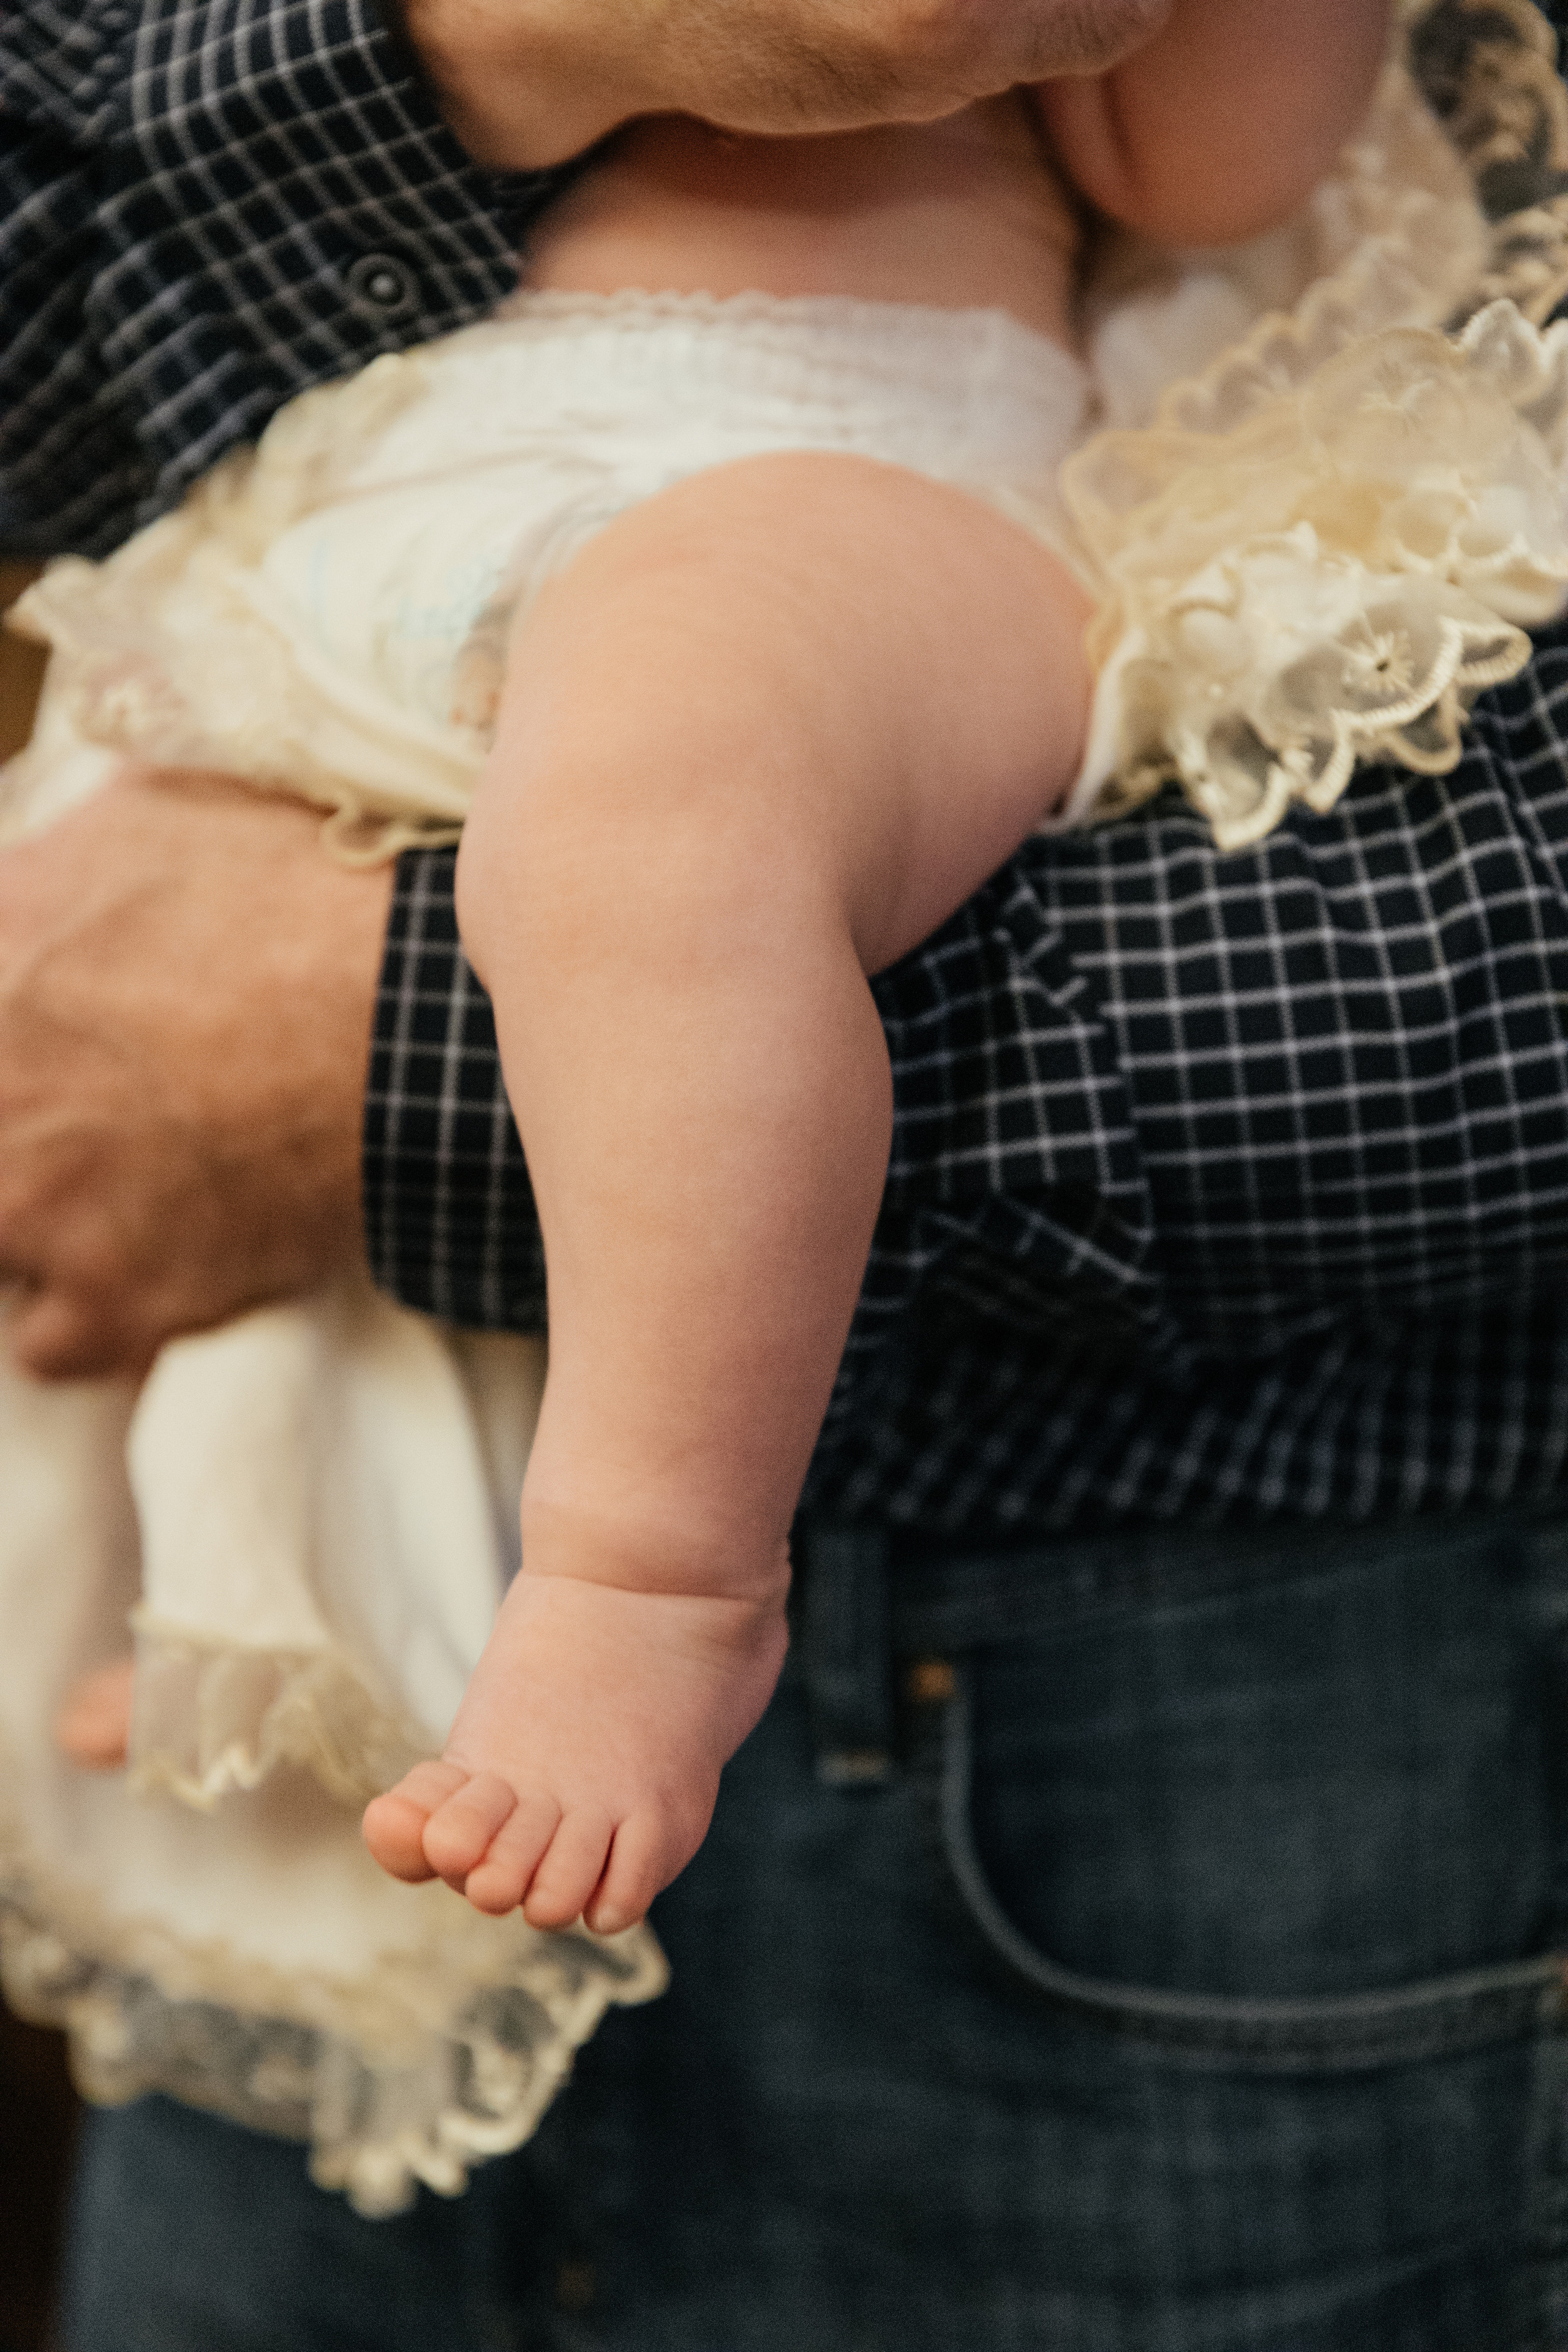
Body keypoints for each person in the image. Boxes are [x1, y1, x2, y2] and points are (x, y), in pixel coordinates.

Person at [7, 0, 1568, 2345]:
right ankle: (262, 1620)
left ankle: (645, 1575)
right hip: (367, 476)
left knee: (643, 826)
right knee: (130, 887)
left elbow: (1214, 159)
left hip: (819, 472)